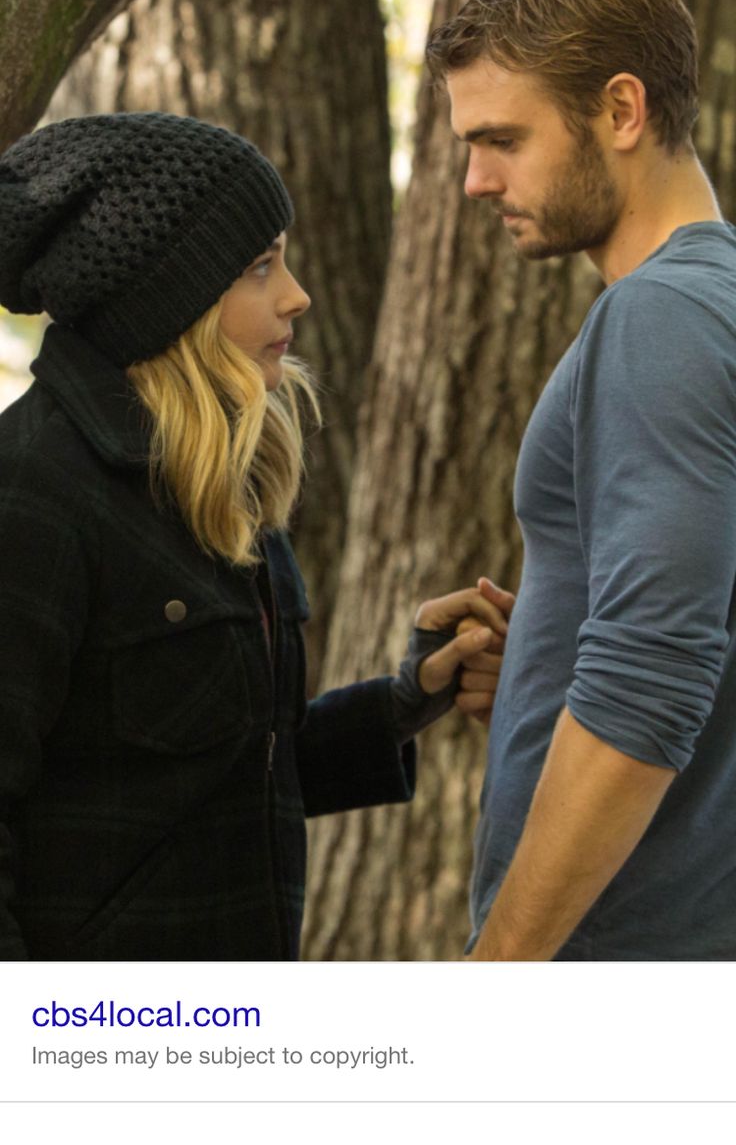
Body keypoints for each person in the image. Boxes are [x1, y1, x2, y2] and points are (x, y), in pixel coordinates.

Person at [0, 112, 512, 962]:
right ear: (170, 299)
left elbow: (232, 769)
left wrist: (405, 695)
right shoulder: (33, 493)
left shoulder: (214, 478)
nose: (297, 293)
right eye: (258, 267)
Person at [426, 0, 736, 961]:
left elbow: (648, 679)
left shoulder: (660, 322)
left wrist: (497, 977)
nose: (474, 180)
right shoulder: (715, 309)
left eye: (502, 138)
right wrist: (540, 674)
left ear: (619, 109)